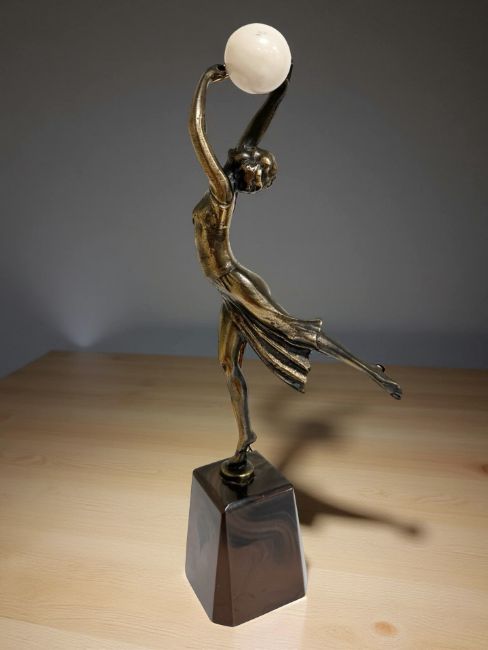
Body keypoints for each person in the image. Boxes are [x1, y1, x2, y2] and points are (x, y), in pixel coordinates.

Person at [189, 63, 402, 480]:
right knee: (228, 366)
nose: (247, 153)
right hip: (225, 292)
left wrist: (205, 83)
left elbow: (197, 134)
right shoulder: (234, 171)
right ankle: (245, 438)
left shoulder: (222, 190)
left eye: (254, 163)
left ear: (244, 170)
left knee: (293, 329)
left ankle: (370, 371)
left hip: (234, 281)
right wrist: (278, 88)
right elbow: (255, 132)